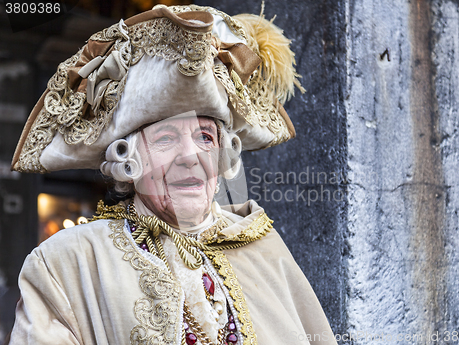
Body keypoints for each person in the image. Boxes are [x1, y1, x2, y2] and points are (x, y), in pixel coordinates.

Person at [8, 4, 337, 345]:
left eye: (205, 138)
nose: (190, 157)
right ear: (127, 161)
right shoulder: (67, 263)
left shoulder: (264, 251)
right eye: (166, 139)